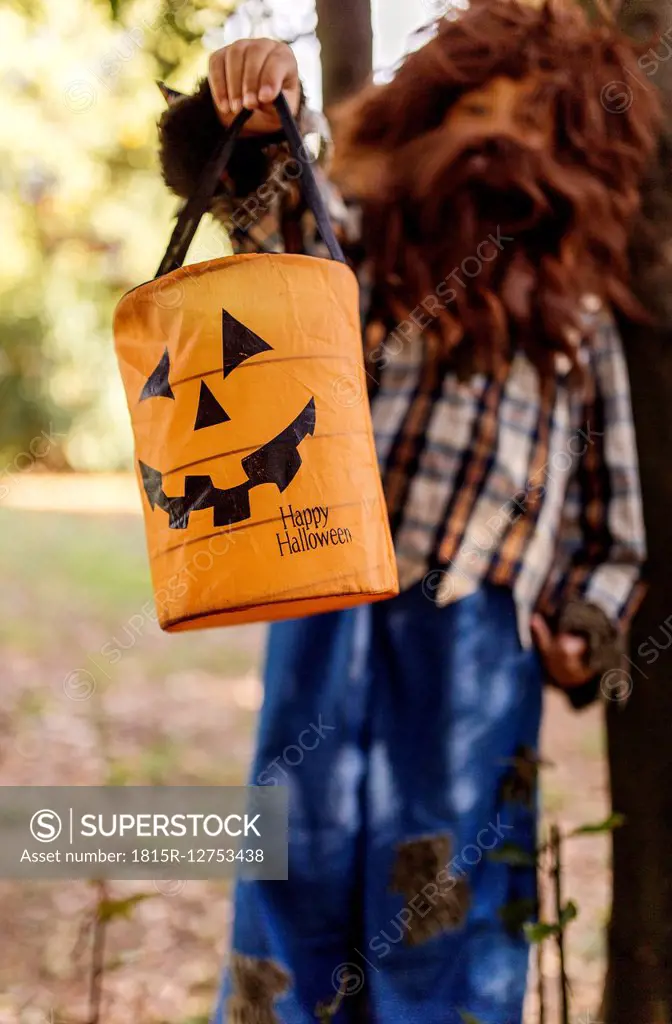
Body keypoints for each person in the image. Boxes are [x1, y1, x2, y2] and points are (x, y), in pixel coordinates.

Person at [156, 1, 659, 1020]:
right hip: (322, 607)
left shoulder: (579, 319)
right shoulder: (359, 243)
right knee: (291, 877)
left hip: (475, 637)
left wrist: (587, 626)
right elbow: (260, 211)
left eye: (537, 125)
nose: (501, 144)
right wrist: (254, 117)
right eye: (475, 111)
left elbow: (616, 527)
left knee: (449, 906)